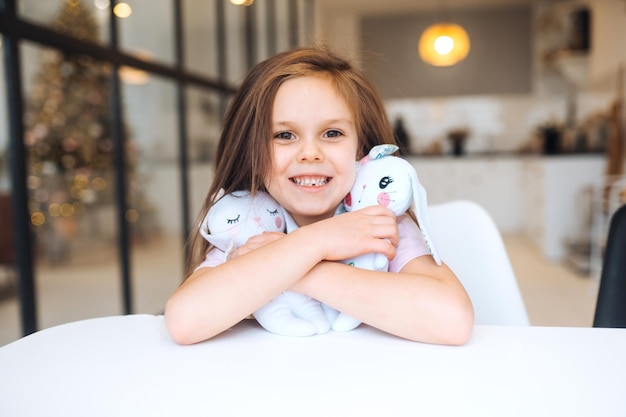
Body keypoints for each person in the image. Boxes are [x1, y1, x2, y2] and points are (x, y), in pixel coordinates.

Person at [164, 47, 474, 345]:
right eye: (284, 135)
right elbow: (184, 321)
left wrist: (299, 267)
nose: (310, 153)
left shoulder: (377, 223)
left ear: (361, 149)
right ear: (252, 154)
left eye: (332, 133)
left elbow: (453, 320)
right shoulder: (247, 225)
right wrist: (317, 242)